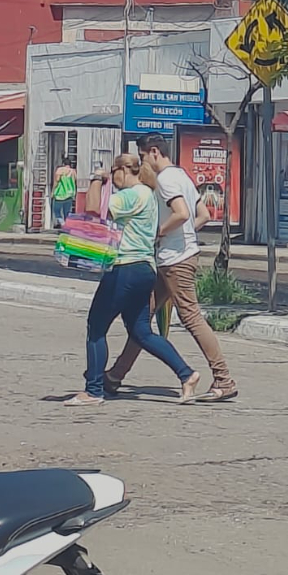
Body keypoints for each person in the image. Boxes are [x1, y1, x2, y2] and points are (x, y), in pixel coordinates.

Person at [106, 133, 238, 403]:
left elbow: (182, 213)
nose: (142, 164)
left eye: (142, 157)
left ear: (154, 152)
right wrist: (183, 235)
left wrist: (159, 233)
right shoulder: (182, 175)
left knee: (190, 317)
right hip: (172, 258)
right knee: (141, 319)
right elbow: (203, 215)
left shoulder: (165, 180)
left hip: (175, 261)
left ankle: (224, 379)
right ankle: (114, 376)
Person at [66, 153, 198, 408]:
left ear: (123, 171)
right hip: (145, 269)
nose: (113, 179)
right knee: (141, 331)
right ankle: (186, 373)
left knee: (96, 327)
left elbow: (92, 209)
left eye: (114, 174)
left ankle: (93, 389)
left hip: (124, 268)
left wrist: (96, 179)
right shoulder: (148, 195)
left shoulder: (130, 195)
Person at [52, 157, 77, 227]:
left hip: (60, 194)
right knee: (67, 212)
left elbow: (56, 181)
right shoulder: (73, 171)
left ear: (63, 164)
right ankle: (68, 226)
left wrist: (53, 191)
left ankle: (63, 224)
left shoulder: (60, 170)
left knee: (56, 211)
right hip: (70, 194)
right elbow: (75, 182)